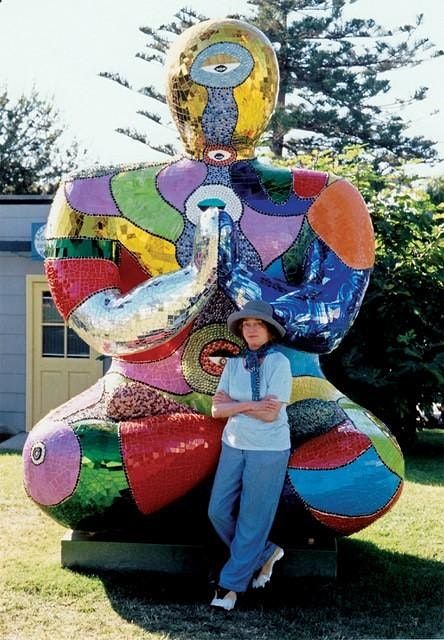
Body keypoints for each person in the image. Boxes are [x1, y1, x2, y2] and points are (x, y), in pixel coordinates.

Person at [208, 300, 293, 611]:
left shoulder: (279, 364)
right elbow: (217, 409)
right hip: (233, 444)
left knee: (252, 519)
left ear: (269, 330)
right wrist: (251, 405)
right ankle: (265, 552)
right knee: (217, 510)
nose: (252, 329)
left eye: (257, 324)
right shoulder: (233, 365)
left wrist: (236, 404)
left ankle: (229, 587)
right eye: (246, 325)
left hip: (268, 450)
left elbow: (272, 416)